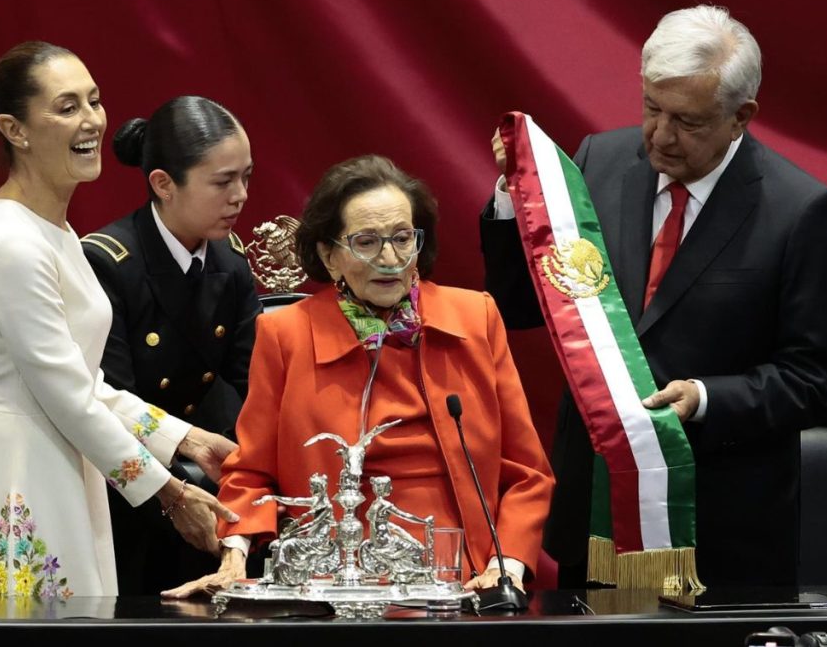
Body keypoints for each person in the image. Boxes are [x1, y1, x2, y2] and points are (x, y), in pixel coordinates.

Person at [481, 5, 827, 588]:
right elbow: (526, 309)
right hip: (595, 517)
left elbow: (814, 379)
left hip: (719, 528)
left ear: (741, 117)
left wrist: (705, 398)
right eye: (652, 108)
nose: (660, 135)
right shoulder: (597, 162)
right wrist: (512, 198)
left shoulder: (800, 211)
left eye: (689, 121)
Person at [0, 41, 237, 599]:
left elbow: (86, 382)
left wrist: (185, 439)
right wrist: (170, 492)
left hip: (68, 469)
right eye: (67, 107)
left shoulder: (54, 230)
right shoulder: (11, 243)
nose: (92, 120)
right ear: (14, 130)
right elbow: (67, 396)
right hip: (18, 483)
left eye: (93, 101)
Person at [162, 155, 554, 598]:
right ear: (330, 257)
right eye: (366, 242)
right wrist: (234, 557)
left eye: (403, 238)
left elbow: (526, 472)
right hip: (335, 578)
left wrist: (509, 566)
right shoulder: (285, 334)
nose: (390, 259)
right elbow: (251, 473)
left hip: (464, 572)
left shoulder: (474, 317)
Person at [81, 96, 261, 595]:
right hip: (129, 483)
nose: (241, 195)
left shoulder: (230, 261)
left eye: (246, 176)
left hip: (209, 470)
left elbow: (247, 385)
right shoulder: (108, 262)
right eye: (223, 181)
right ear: (163, 183)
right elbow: (107, 401)